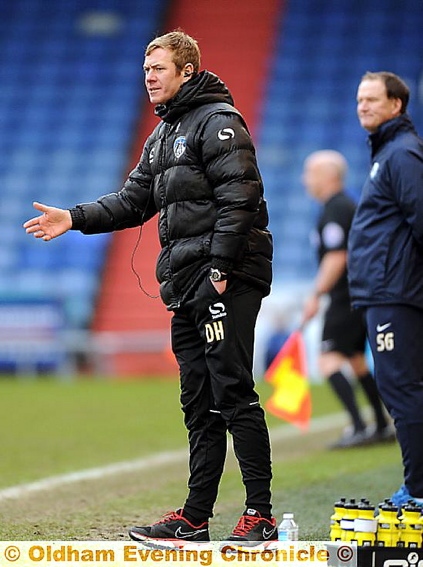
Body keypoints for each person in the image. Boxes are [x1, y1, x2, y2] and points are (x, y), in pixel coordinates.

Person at [23, 30, 276, 544]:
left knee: (232, 391)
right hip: (187, 282)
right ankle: (196, 517)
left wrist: (220, 269)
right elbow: (131, 201)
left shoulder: (218, 121)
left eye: (158, 68)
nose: (149, 77)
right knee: (198, 399)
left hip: (225, 277)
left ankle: (261, 515)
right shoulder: (161, 137)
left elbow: (241, 196)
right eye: (145, 70)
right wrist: (72, 218)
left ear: (187, 71)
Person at [348, 71, 423, 507]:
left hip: (395, 291)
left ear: (396, 105)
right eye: (360, 99)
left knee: (401, 388)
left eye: (373, 99)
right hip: (387, 290)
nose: (363, 106)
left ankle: (417, 490)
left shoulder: (402, 154)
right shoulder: (389, 152)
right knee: (404, 386)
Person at [301, 150, 394, 449]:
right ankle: (380, 425)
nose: (305, 180)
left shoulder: (337, 208)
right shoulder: (342, 206)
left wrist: (316, 295)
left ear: (327, 175)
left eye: (309, 173)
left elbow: (337, 257)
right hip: (358, 294)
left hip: (346, 296)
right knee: (355, 360)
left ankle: (358, 427)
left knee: (328, 360)